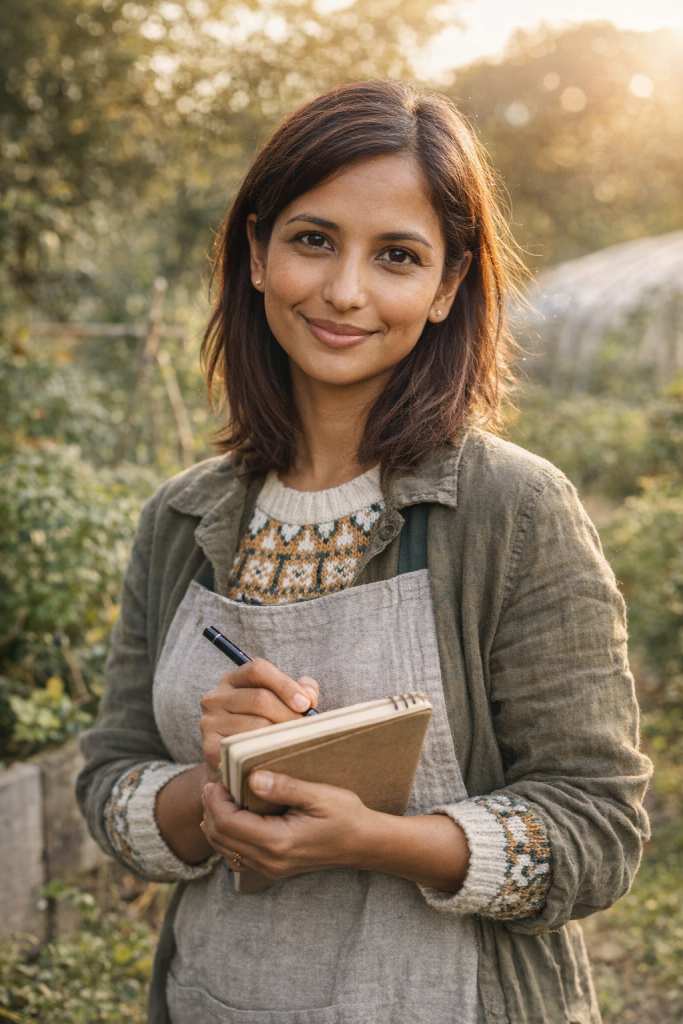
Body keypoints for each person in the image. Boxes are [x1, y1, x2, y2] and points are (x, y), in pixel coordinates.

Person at [77, 81, 651, 1024]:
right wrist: (202, 798)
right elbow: (108, 781)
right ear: (256, 253)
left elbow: (597, 828)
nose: (345, 291)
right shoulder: (182, 518)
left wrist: (378, 840)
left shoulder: (510, 509)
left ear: (445, 288)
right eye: (313, 240)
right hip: (221, 997)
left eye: (395, 256)